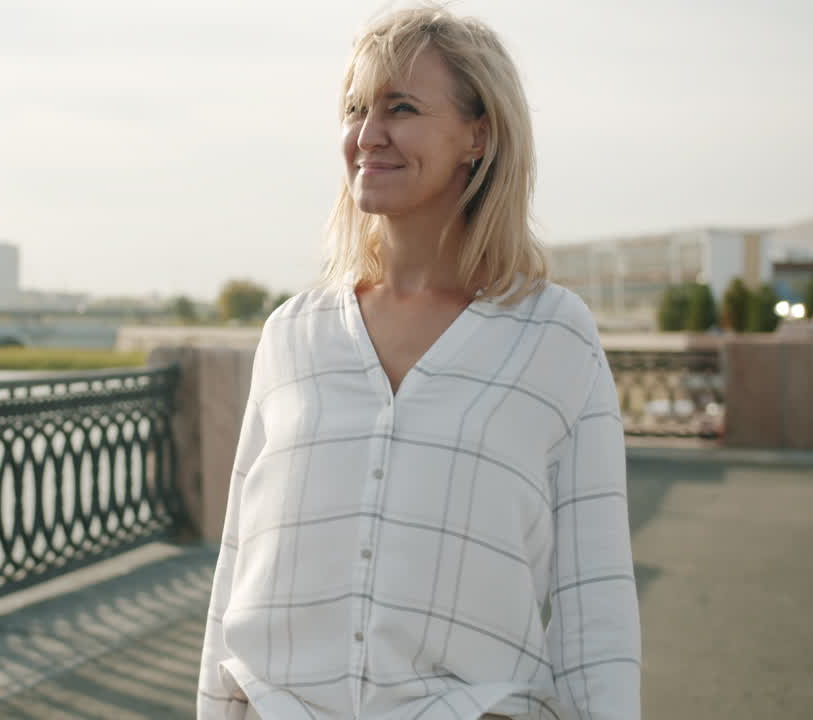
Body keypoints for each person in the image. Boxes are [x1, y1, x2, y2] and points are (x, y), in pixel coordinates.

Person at [196, 5, 641, 720]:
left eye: (400, 108)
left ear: (478, 134)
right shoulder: (292, 336)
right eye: (355, 110)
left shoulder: (555, 338)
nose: (368, 136)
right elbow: (235, 576)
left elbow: (598, 608)